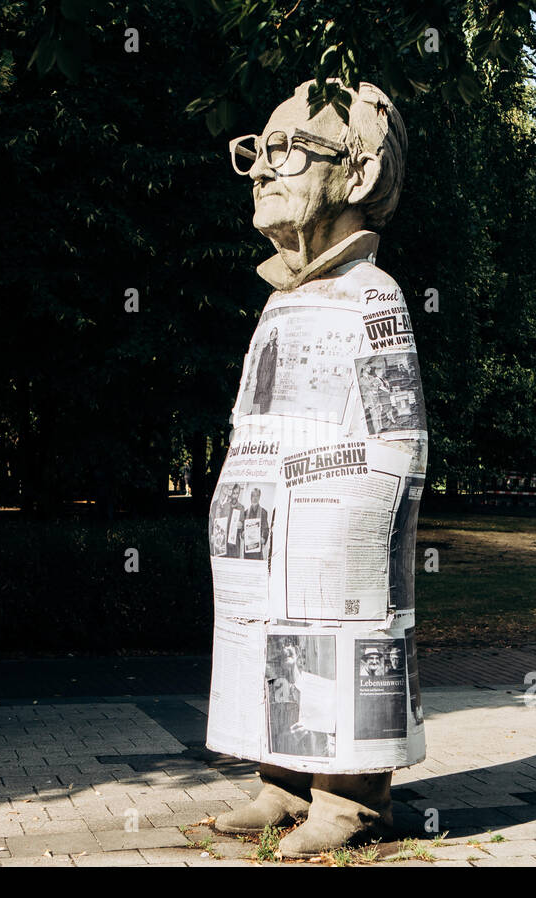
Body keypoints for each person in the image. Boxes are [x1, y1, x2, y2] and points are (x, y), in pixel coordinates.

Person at [207, 78, 427, 858]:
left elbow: (400, 433)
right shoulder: (280, 301)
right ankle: (282, 779)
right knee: (267, 640)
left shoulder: (375, 295)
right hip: (266, 517)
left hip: (334, 524)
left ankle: (353, 798)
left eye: (286, 151)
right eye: (255, 154)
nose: (263, 169)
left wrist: (357, 514)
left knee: (339, 642)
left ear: (358, 176)